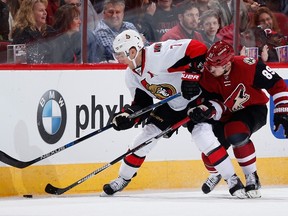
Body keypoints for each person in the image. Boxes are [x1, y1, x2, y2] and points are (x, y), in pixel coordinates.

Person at [100, 29, 249, 199]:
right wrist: (129, 116)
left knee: (202, 135)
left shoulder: (159, 54)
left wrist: (191, 75)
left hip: (196, 98)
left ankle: (232, 180)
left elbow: (198, 48)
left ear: (132, 51)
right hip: (171, 104)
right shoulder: (131, 76)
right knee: (145, 136)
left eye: (120, 53)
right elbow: (143, 103)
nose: (117, 57)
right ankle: (123, 178)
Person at [188, 40, 288, 198]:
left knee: (235, 133)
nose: (210, 68)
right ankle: (216, 173)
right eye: (209, 63)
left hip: (252, 109)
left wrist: (282, 109)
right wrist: (206, 110)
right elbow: (214, 102)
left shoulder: (248, 66)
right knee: (209, 152)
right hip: (225, 114)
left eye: (216, 64)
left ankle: (251, 176)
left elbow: (277, 83)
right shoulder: (207, 75)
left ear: (227, 64)